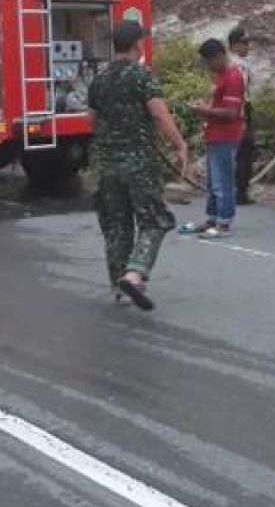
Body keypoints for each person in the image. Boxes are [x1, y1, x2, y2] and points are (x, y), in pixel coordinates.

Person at [89, 20, 190, 311]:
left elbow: (91, 121)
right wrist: (180, 145)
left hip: (107, 165)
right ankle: (134, 275)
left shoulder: (100, 79)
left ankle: (120, 286)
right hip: (139, 165)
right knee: (155, 220)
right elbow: (158, 113)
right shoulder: (143, 76)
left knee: (117, 225)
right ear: (137, 45)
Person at [190, 38, 246, 239]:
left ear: (220, 56)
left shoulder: (233, 77)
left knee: (223, 180)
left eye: (210, 61)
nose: (209, 66)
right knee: (213, 181)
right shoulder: (219, 76)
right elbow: (216, 103)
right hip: (214, 134)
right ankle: (212, 217)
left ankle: (224, 221)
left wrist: (205, 110)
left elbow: (231, 112)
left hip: (226, 135)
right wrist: (205, 108)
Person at [228, 27, 257, 205]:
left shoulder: (229, 63)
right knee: (244, 151)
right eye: (244, 43)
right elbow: (241, 91)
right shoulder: (240, 65)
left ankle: (236, 189)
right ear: (235, 45)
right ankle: (240, 191)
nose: (248, 47)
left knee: (238, 151)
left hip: (236, 107)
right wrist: (244, 117)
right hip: (241, 107)